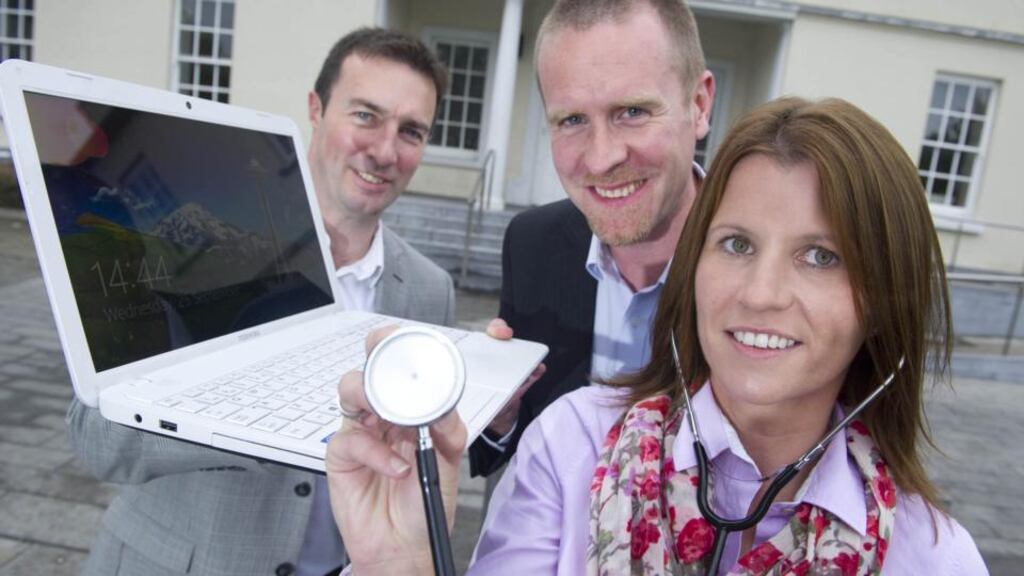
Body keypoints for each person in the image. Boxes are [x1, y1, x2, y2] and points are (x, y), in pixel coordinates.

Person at [326, 97, 989, 574]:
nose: (759, 293)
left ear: (882, 302)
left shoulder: (933, 556)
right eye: (735, 243)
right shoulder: (572, 444)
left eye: (821, 256)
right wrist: (402, 566)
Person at [66, 28, 454, 576]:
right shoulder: (201, 246)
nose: (386, 150)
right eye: (365, 115)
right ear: (316, 109)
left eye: (411, 131)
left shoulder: (431, 289)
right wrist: (262, 413)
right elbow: (98, 439)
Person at [470, 0, 714, 477]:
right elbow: (500, 447)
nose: (601, 159)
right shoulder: (532, 244)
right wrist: (499, 412)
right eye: (573, 120)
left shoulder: (759, 264)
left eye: (633, 111)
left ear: (698, 106)